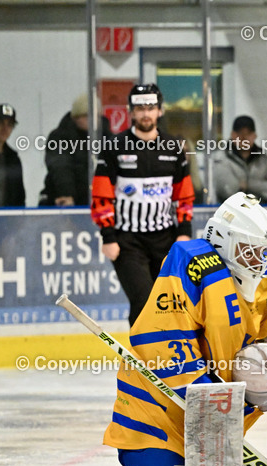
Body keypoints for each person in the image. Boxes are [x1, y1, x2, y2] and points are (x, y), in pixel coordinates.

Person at [104, 191, 267, 466]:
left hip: (212, 424)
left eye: (265, 251)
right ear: (224, 240)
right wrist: (221, 404)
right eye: (248, 250)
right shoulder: (192, 265)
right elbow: (162, 345)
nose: (258, 260)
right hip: (155, 418)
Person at [91, 83, 195, 326]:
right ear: (131, 111)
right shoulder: (114, 147)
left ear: (160, 110)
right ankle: (143, 358)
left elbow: (184, 195)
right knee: (143, 298)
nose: (146, 113)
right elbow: (101, 194)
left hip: (166, 239)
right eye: (140, 108)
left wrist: (184, 232)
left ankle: (168, 355)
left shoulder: (173, 148)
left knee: (169, 301)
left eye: (151, 107)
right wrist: (108, 235)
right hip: (127, 241)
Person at [39, 94, 109, 207]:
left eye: (96, 115)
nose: (91, 120)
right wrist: (66, 194)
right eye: (86, 115)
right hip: (66, 202)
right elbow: (61, 167)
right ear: (75, 117)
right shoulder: (60, 136)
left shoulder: (108, 138)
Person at [213, 115, 267, 204]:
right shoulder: (221, 158)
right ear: (233, 135)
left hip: (259, 213)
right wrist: (262, 188)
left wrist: (249, 185)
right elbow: (228, 190)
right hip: (230, 214)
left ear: (254, 136)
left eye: (248, 134)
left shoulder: (264, 160)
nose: (244, 138)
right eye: (240, 134)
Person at [0, 103, 25, 207]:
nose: (5, 128)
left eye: (9, 124)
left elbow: (19, 197)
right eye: (0, 123)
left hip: (3, 220)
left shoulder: (13, 159)